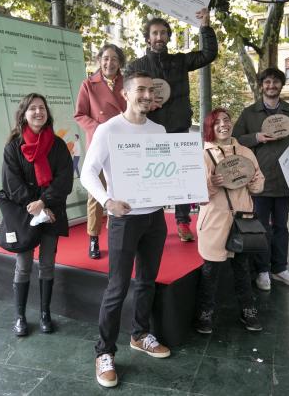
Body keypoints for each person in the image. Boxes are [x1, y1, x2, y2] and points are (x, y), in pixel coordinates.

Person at [81, 71, 170, 388]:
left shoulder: (159, 130)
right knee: (117, 288)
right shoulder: (108, 129)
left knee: (147, 281)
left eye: (151, 90)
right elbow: (87, 173)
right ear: (126, 94)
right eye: (141, 90)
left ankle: (140, 334)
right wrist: (107, 201)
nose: (147, 95)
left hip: (155, 217)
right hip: (124, 219)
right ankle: (103, 353)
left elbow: (166, 173)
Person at [127, 9, 218, 243]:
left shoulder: (180, 61)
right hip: (149, 127)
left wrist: (205, 25)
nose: (159, 37)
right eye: (155, 33)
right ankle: (150, 222)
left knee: (181, 176)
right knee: (149, 175)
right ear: (148, 38)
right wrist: (145, 102)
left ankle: (183, 222)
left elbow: (209, 53)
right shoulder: (137, 65)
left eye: (163, 33)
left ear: (168, 37)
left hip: (178, 126)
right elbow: (128, 90)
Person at [232, 67, 289, 291]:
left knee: (281, 227)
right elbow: (235, 140)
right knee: (261, 228)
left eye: (275, 82)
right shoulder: (250, 113)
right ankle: (262, 271)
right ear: (261, 86)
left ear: (281, 85)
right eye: (267, 82)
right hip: (259, 181)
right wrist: (256, 137)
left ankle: (280, 268)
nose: (271, 86)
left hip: (287, 181)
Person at [2, 93, 73, 336]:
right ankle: (20, 317)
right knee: (23, 266)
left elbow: (65, 180)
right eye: (32, 108)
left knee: (47, 264)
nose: (38, 112)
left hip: (51, 212)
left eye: (41, 108)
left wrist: (44, 202)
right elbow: (11, 184)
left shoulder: (58, 145)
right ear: (23, 114)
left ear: (47, 113)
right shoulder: (13, 147)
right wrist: (34, 205)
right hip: (25, 215)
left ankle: (45, 314)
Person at [195, 108, 265, 335]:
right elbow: (196, 195)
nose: (223, 125)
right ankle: (205, 314)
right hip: (214, 221)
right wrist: (213, 183)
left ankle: (249, 311)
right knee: (210, 271)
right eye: (217, 122)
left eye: (226, 120)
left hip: (242, 220)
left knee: (243, 269)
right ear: (210, 127)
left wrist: (254, 180)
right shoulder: (202, 156)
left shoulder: (245, 152)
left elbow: (258, 185)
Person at [74, 44, 127, 259]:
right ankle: (93, 238)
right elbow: (79, 115)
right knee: (96, 194)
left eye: (114, 59)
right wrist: (100, 129)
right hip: (99, 144)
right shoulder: (88, 84)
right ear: (99, 60)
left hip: (125, 144)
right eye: (106, 58)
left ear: (120, 63)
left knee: (125, 189)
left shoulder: (127, 83)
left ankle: (124, 234)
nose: (109, 63)